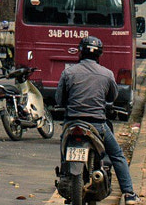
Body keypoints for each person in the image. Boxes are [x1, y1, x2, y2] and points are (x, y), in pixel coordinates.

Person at [54, 34, 138, 202]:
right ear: (99, 54)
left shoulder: (68, 72)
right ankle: (129, 194)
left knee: (63, 149)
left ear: (80, 52)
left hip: (72, 122)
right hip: (97, 124)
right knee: (117, 156)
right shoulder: (106, 74)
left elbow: (59, 99)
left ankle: (65, 174)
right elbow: (112, 97)